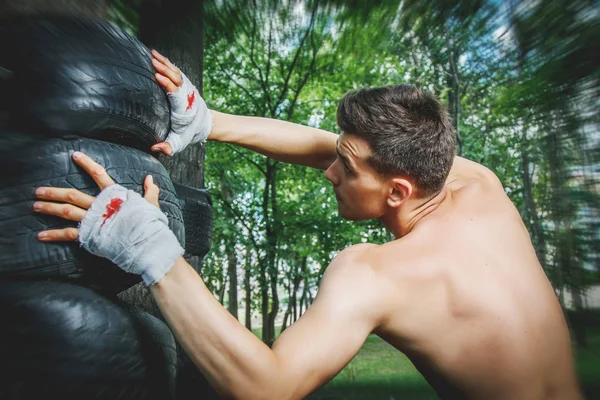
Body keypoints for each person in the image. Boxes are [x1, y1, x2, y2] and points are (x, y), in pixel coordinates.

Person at [32, 50, 583, 400]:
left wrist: (150, 248)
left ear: (398, 192)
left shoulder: (376, 274)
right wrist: (208, 121)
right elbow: (324, 144)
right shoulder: (476, 186)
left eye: (347, 166)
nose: (329, 172)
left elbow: (267, 388)